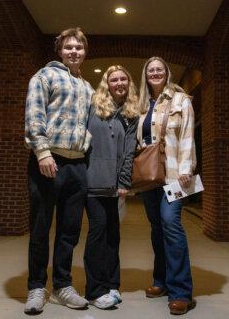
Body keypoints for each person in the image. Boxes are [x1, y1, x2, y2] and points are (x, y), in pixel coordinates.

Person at [24, 27, 94, 314]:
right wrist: (42, 152)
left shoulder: (88, 87)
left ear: (84, 52)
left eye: (79, 47)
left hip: (77, 165)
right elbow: (34, 113)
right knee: (40, 228)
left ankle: (62, 286)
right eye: (69, 47)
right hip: (48, 161)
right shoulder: (44, 76)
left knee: (69, 231)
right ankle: (37, 288)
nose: (74, 51)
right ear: (60, 50)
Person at [136, 56, 196, 315]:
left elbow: (187, 135)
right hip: (149, 177)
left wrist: (186, 170)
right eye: (151, 70)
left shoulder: (181, 100)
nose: (155, 73)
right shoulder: (141, 105)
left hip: (175, 175)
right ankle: (160, 280)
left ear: (167, 73)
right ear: (146, 76)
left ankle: (181, 291)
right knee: (157, 228)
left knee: (171, 223)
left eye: (159, 69)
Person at [84, 65, 139, 309]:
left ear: (129, 84)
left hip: (115, 186)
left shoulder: (130, 115)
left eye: (123, 79)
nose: (119, 83)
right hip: (92, 182)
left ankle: (112, 284)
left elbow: (129, 153)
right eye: (113, 79)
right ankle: (95, 291)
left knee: (113, 235)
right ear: (107, 83)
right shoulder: (93, 106)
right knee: (98, 233)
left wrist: (125, 181)